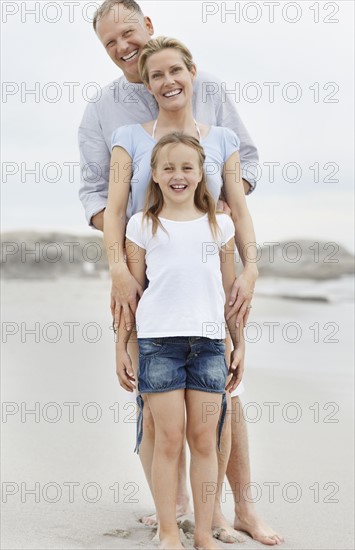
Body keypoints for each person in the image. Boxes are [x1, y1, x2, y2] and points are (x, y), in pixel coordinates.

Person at [79, 1, 283, 545]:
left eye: (128, 32)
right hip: (138, 259)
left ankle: (238, 509)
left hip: (211, 257)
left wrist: (207, 217)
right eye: (109, 43)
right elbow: (98, 197)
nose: (122, 46)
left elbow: (245, 168)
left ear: (148, 26)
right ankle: (172, 510)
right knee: (153, 393)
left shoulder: (204, 85)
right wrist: (126, 256)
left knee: (221, 398)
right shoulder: (106, 114)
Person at [115, 132, 245, 550]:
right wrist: (122, 346)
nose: (178, 175)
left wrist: (239, 343)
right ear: (153, 174)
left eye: (187, 167)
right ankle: (169, 531)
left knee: (205, 441)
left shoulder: (220, 225)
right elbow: (130, 295)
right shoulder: (142, 224)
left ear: (200, 173)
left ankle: (204, 534)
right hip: (158, 345)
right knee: (168, 440)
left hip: (208, 346)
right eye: (168, 167)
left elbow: (230, 294)